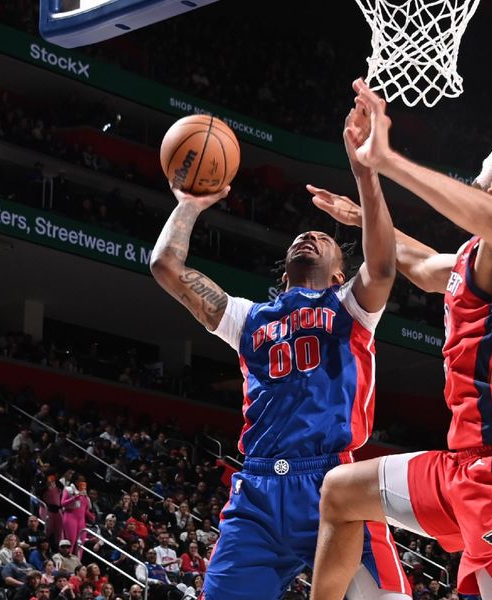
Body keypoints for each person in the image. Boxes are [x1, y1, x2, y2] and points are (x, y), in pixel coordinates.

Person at [309, 79, 492, 600]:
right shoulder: (480, 261)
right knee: (340, 494)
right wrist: (366, 186)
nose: (472, 178)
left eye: (480, 169)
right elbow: (420, 264)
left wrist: (388, 158)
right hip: (464, 467)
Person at [149, 106, 410, 600]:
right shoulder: (248, 318)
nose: (308, 234)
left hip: (334, 483)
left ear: (339, 273)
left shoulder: (349, 306)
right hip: (258, 494)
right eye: (301, 235)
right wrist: (188, 203)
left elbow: (381, 266)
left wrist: (365, 174)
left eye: (324, 237)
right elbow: (165, 265)